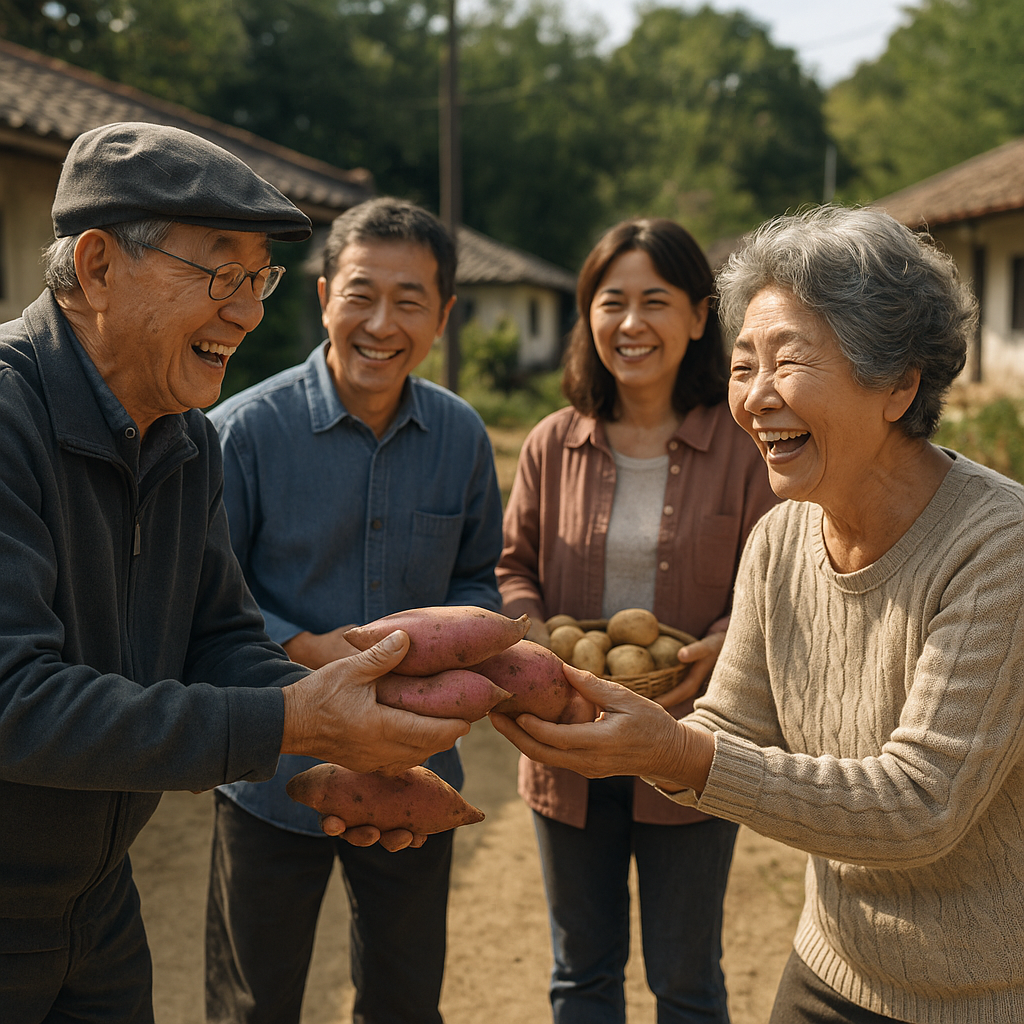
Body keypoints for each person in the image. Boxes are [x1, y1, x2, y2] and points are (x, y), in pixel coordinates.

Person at [491, 205, 1024, 1023]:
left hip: (982, 997)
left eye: (789, 362)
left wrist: (672, 749)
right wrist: (620, 733)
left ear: (900, 384)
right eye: (744, 365)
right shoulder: (781, 538)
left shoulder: (997, 549)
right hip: (832, 967)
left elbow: (921, 805)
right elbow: (729, 725)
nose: (755, 398)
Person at [0, 123, 470, 1023]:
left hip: (97, 904)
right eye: (220, 274)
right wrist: (294, 719)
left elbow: (218, 635)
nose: (248, 313)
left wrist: (332, 724)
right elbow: (15, 700)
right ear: (97, 267)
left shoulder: (184, 437)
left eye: (259, 279)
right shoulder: (9, 417)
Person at [204, 197, 504, 1024]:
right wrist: (305, 646)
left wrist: (441, 655)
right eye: (361, 295)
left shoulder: (461, 437)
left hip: (416, 775)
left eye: (409, 301)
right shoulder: (243, 433)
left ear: (443, 314)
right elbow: (208, 596)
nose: (381, 323)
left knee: (404, 1002)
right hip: (272, 772)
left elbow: (479, 579)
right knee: (252, 1005)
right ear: (324, 295)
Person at [497, 217, 778, 1023]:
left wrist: (725, 641)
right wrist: (531, 636)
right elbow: (513, 567)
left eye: (654, 301)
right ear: (588, 315)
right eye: (610, 301)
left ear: (698, 316)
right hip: (568, 739)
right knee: (581, 977)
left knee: (686, 982)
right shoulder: (552, 443)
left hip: (693, 741)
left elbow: (774, 585)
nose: (631, 323)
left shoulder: (747, 448)